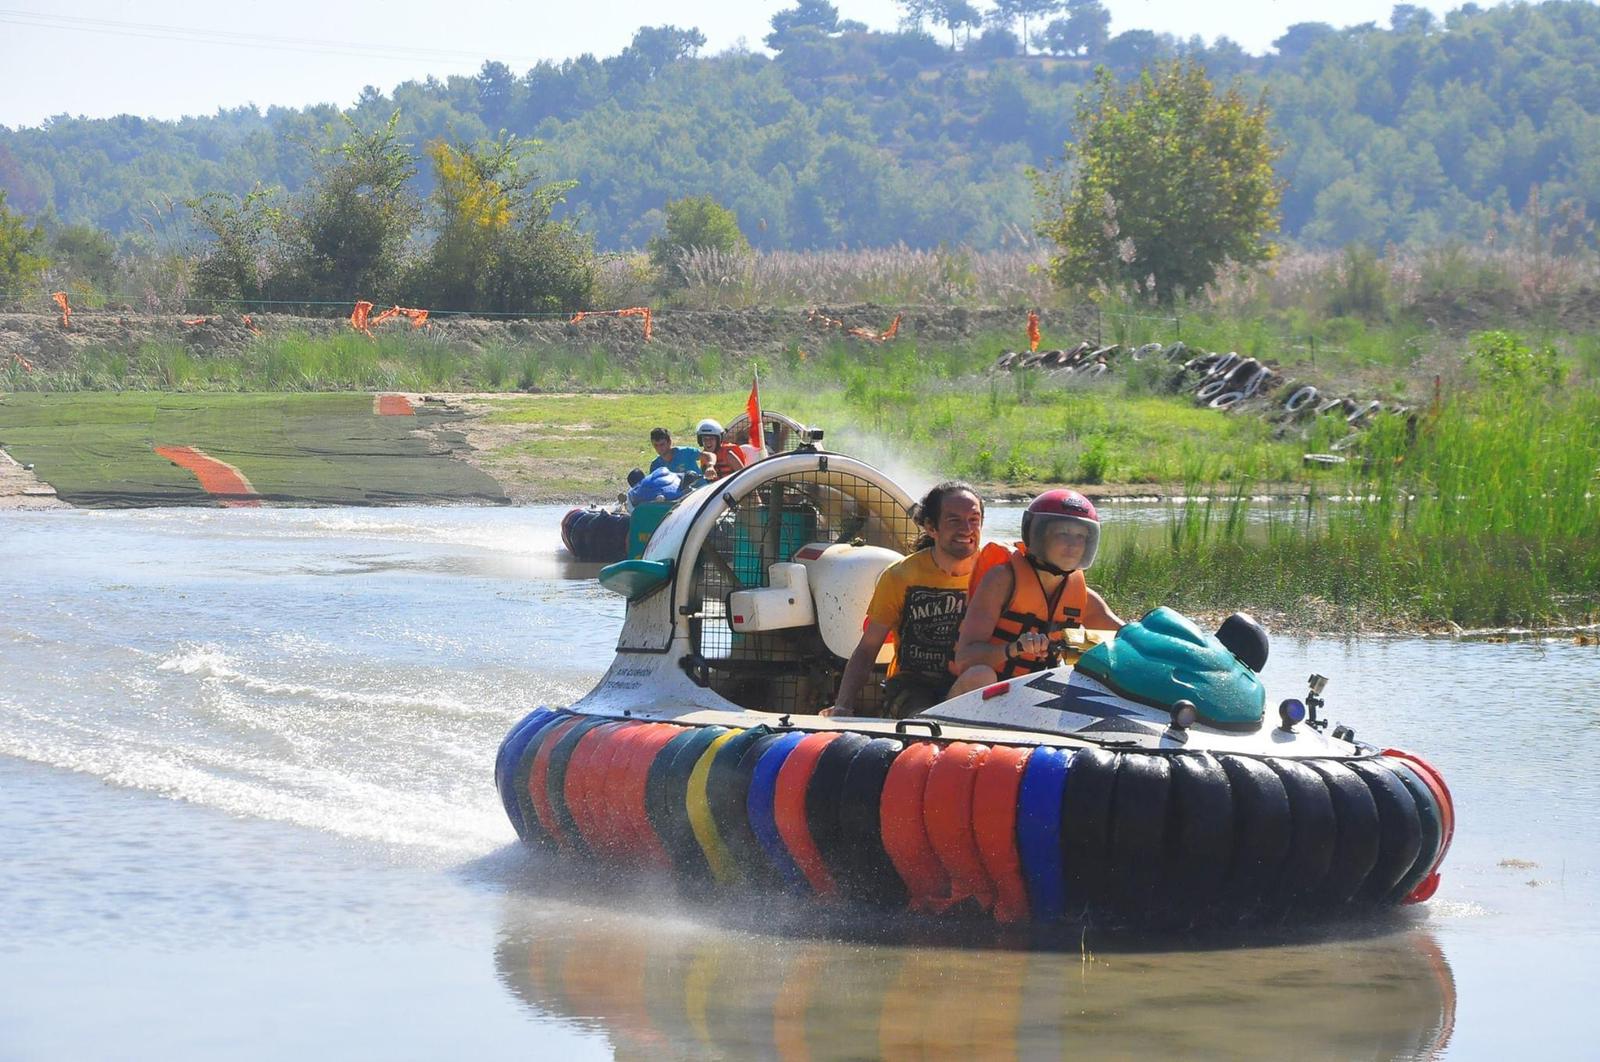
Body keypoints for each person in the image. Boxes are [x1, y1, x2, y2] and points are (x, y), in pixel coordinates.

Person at [821, 482, 984, 719]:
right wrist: (843, 706)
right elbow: (867, 648)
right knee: (922, 719)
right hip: (912, 685)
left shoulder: (996, 571)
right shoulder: (900, 576)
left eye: (974, 520)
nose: (966, 529)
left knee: (982, 679)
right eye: (954, 520)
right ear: (931, 527)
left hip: (968, 680)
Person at [947, 489, 1125, 697]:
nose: (1073, 544)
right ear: (1037, 535)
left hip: (1034, 697)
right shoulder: (1001, 580)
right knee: (980, 675)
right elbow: (965, 658)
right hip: (977, 694)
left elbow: (1128, 636)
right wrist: (1014, 648)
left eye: (1080, 536)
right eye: (1063, 533)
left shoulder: (1083, 596)